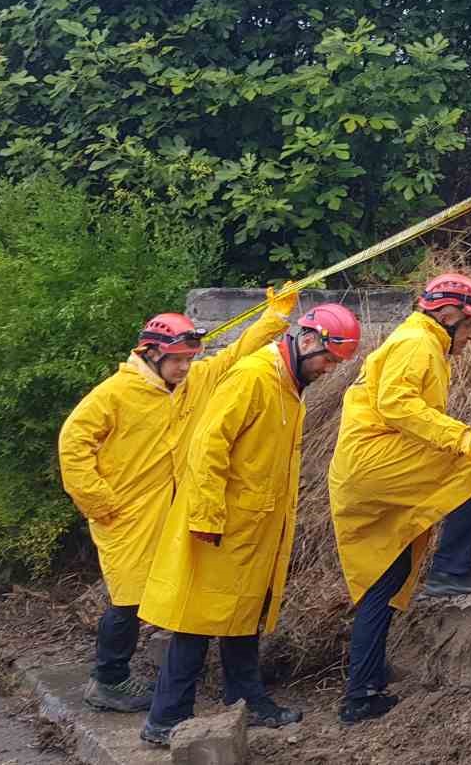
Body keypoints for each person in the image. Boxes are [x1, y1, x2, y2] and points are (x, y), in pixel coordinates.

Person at [57, 288, 298, 713]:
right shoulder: (114, 394)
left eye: (189, 359)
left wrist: (274, 320)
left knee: (172, 592)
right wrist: (100, 502)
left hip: (173, 511)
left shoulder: (191, 383)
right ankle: (108, 680)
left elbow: (233, 355)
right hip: (126, 515)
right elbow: (73, 445)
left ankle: (169, 679)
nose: (185, 367)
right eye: (177, 360)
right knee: (128, 598)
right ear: (150, 354)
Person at [137, 304, 363, 746]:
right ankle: (166, 718)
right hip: (220, 523)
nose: (330, 369)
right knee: (196, 619)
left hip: (250, 525)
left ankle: (246, 698)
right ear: (309, 340)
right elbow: (208, 444)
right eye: (328, 359)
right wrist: (206, 515)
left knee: (244, 613)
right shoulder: (254, 377)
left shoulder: (288, 384)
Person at [328, 273, 471, 724]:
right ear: (447, 314)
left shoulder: (419, 342)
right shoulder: (417, 343)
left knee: (387, 576)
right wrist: (458, 436)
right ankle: (452, 569)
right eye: (469, 324)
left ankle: (362, 692)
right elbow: (397, 404)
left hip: (363, 468)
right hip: (377, 460)